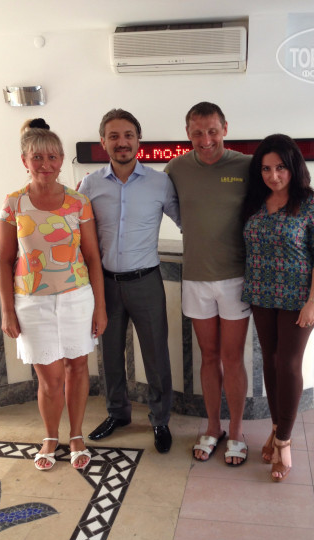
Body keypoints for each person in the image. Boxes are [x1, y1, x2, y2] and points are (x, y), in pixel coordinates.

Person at [0, 118, 107, 471]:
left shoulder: (78, 202)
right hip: (31, 303)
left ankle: (75, 435)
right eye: (37, 157)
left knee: (78, 367)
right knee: (49, 378)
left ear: (61, 160)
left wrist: (100, 308)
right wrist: (7, 311)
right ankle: (49, 437)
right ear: (25, 161)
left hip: (77, 298)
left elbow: (93, 258)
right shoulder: (13, 203)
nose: (46, 164)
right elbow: (4, 261)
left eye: (52, 157)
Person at [80, 109, 180, 454]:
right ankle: (117, 414)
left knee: (156, 355)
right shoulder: (90, 184)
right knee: (109, 355)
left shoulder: (159, 182)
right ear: (103, 142)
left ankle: (160, 419)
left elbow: (187, 221)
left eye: (128, 135)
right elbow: (78, 233)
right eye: (114, 136)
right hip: (104, 284)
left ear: (139, 140)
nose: (121, 142)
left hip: (146, 281)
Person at [242, 133, 314, 481]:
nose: (273, 175)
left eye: (280, 167)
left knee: (288, 362)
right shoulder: (255, 201)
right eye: (266, 168)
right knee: (269, 361)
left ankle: (284, 440)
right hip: (261, 294)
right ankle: (275, 428)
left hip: (299, 298)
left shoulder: (311, 202)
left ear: (293, 166)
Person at [166, 102, 251, 466]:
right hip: (196, 278)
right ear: (187, 133)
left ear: (225, 129)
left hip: (236, 278)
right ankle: (213, 427)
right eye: (197, 133)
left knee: (232, 358)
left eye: (212, 131)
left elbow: (280, 193)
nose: (205, 140)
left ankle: (237, 431)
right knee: (209, 356)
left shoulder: (247, 166)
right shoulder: (176, 169)